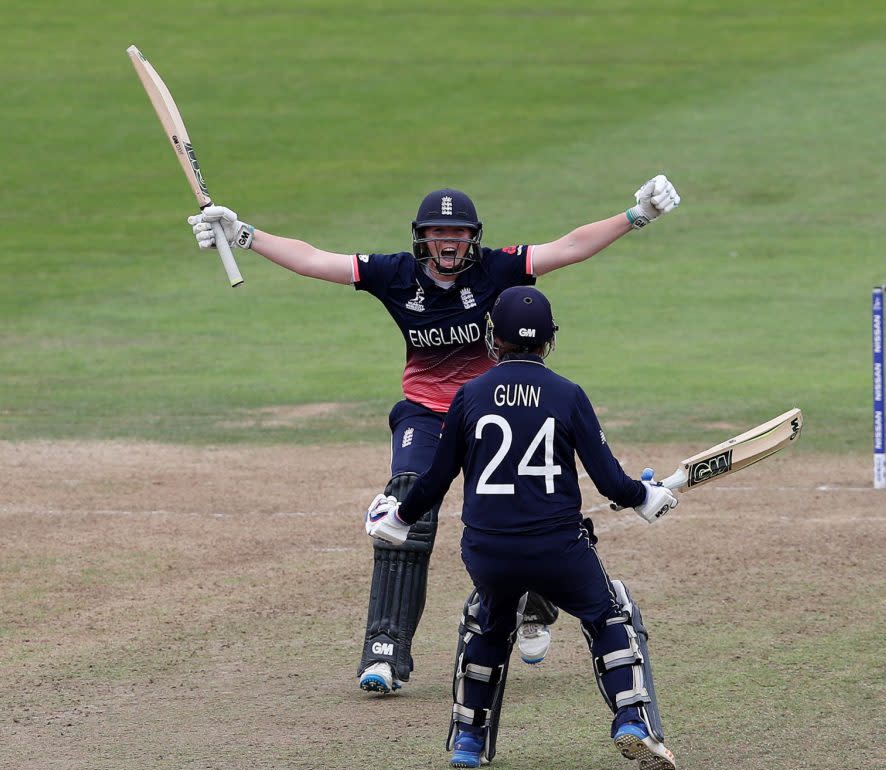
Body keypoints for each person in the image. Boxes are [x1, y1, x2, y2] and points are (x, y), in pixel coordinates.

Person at [188, 176, 681, 694]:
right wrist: (245, 234)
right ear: (421, 237)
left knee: (533, 504)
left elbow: (569, 247)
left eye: (460, 234)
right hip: (426, 413)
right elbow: (316, 260)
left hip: (496, 410)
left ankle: (536, 605)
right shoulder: (395, 275)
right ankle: (385, 649)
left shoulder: (498, 267)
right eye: (438, 233)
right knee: (407, 503)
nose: (450, 244)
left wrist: (636, 215)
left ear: (474, 237)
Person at [364, 286, 680, 770]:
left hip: (488, 549)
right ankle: (632, 720)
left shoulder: (468, 396)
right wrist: (645, 497)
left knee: (489, 620)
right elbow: (610, 480)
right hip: (558, 547)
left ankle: (468, 741)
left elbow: (435, 479)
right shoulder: (568, 395)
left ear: (495, 339)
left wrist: (399, 518)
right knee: (609, 614)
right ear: (548, 342)